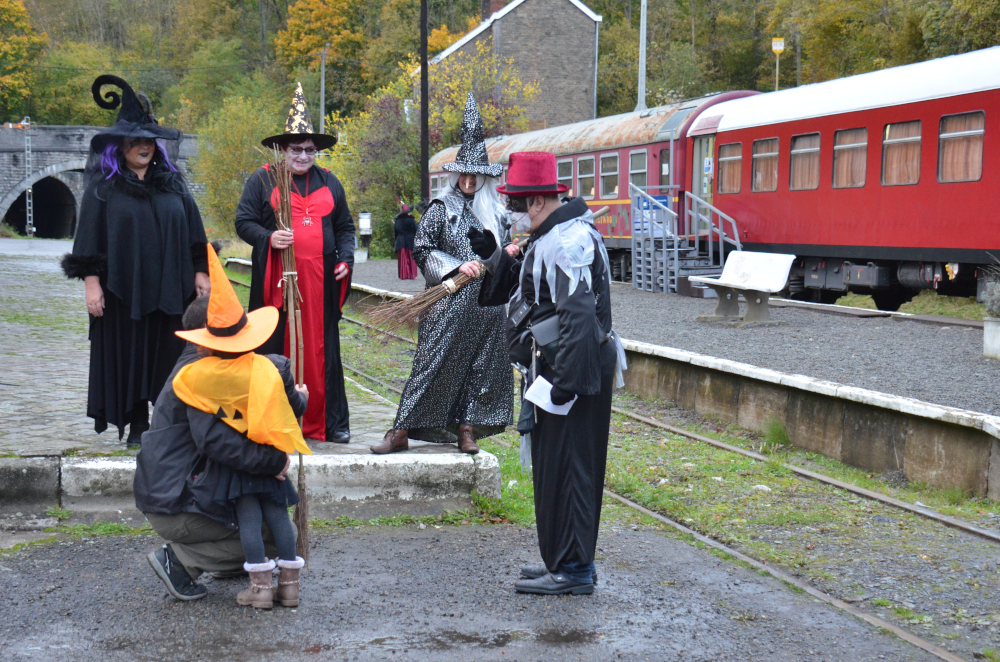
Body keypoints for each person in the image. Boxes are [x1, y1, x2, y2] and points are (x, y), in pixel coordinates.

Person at [471, 151, 627, 595]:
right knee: (555, 467)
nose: (513, 216)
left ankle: (574, 569)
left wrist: (566, 384)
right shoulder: (556, 235)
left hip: (569, 371)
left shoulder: (566, 241)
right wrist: (497, 257)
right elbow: (525, 290)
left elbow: (578, 317)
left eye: (517, 206)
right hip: (557, 366)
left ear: (537, 202)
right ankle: (562, 558)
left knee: (573, 466)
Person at [135, 246, 307, 604]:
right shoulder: (200, 379)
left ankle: (231, 560)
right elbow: (218, 442)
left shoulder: (209, 369)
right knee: (280, 533)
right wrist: (274, 462)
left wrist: (293, 397)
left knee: (263, 519)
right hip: (176, 502)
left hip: (175, 491)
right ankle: (181, 561)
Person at [61, 75, 209, 447]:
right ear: (120, 145)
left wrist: (201, 271)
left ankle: (168, 420)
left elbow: (194, 230)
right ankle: (136, 423)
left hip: (171, 287)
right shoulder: (103, 188)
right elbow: (88, 238)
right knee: (129, 353)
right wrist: (91, 284)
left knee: (169, 352)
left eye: (149, 140)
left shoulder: (173, 183)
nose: (144, 146)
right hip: (123, 291)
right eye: (136, 140)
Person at [370, 94, 513, 455]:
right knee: (432, 363)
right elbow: (421, 247)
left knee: (481, 367)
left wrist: (501, 257)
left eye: (474, 174)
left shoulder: (497, 213)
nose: (468, 180)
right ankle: (401, 430)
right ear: (456, 175)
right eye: (463, 173)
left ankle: (467, 430)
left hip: (487, 307)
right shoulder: (440, 208)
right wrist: (455, 265)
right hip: (448, 301)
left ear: (484, 176)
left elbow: (506, 257)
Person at [235, 82, 355, 444]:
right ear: (282, 151)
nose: (303, 156)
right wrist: (268, 238)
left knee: (324, 353)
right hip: (278, 283)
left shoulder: (331, 183)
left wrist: (346, 259)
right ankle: (273, 420)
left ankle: (330, 423)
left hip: (320, 285)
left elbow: (346, 228)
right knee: (276, 348)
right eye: (295, 150)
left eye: (309, 150)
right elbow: (243, 222)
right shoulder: (262, 179)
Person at [394, 203, 419, 280]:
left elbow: (396, 232)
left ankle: (404, 275)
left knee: (403, 259)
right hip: (410, 240)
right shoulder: (411, 220)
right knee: (411, 258)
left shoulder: (397, 221)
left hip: (400, 240)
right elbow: (416, 230)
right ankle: (411, 274)